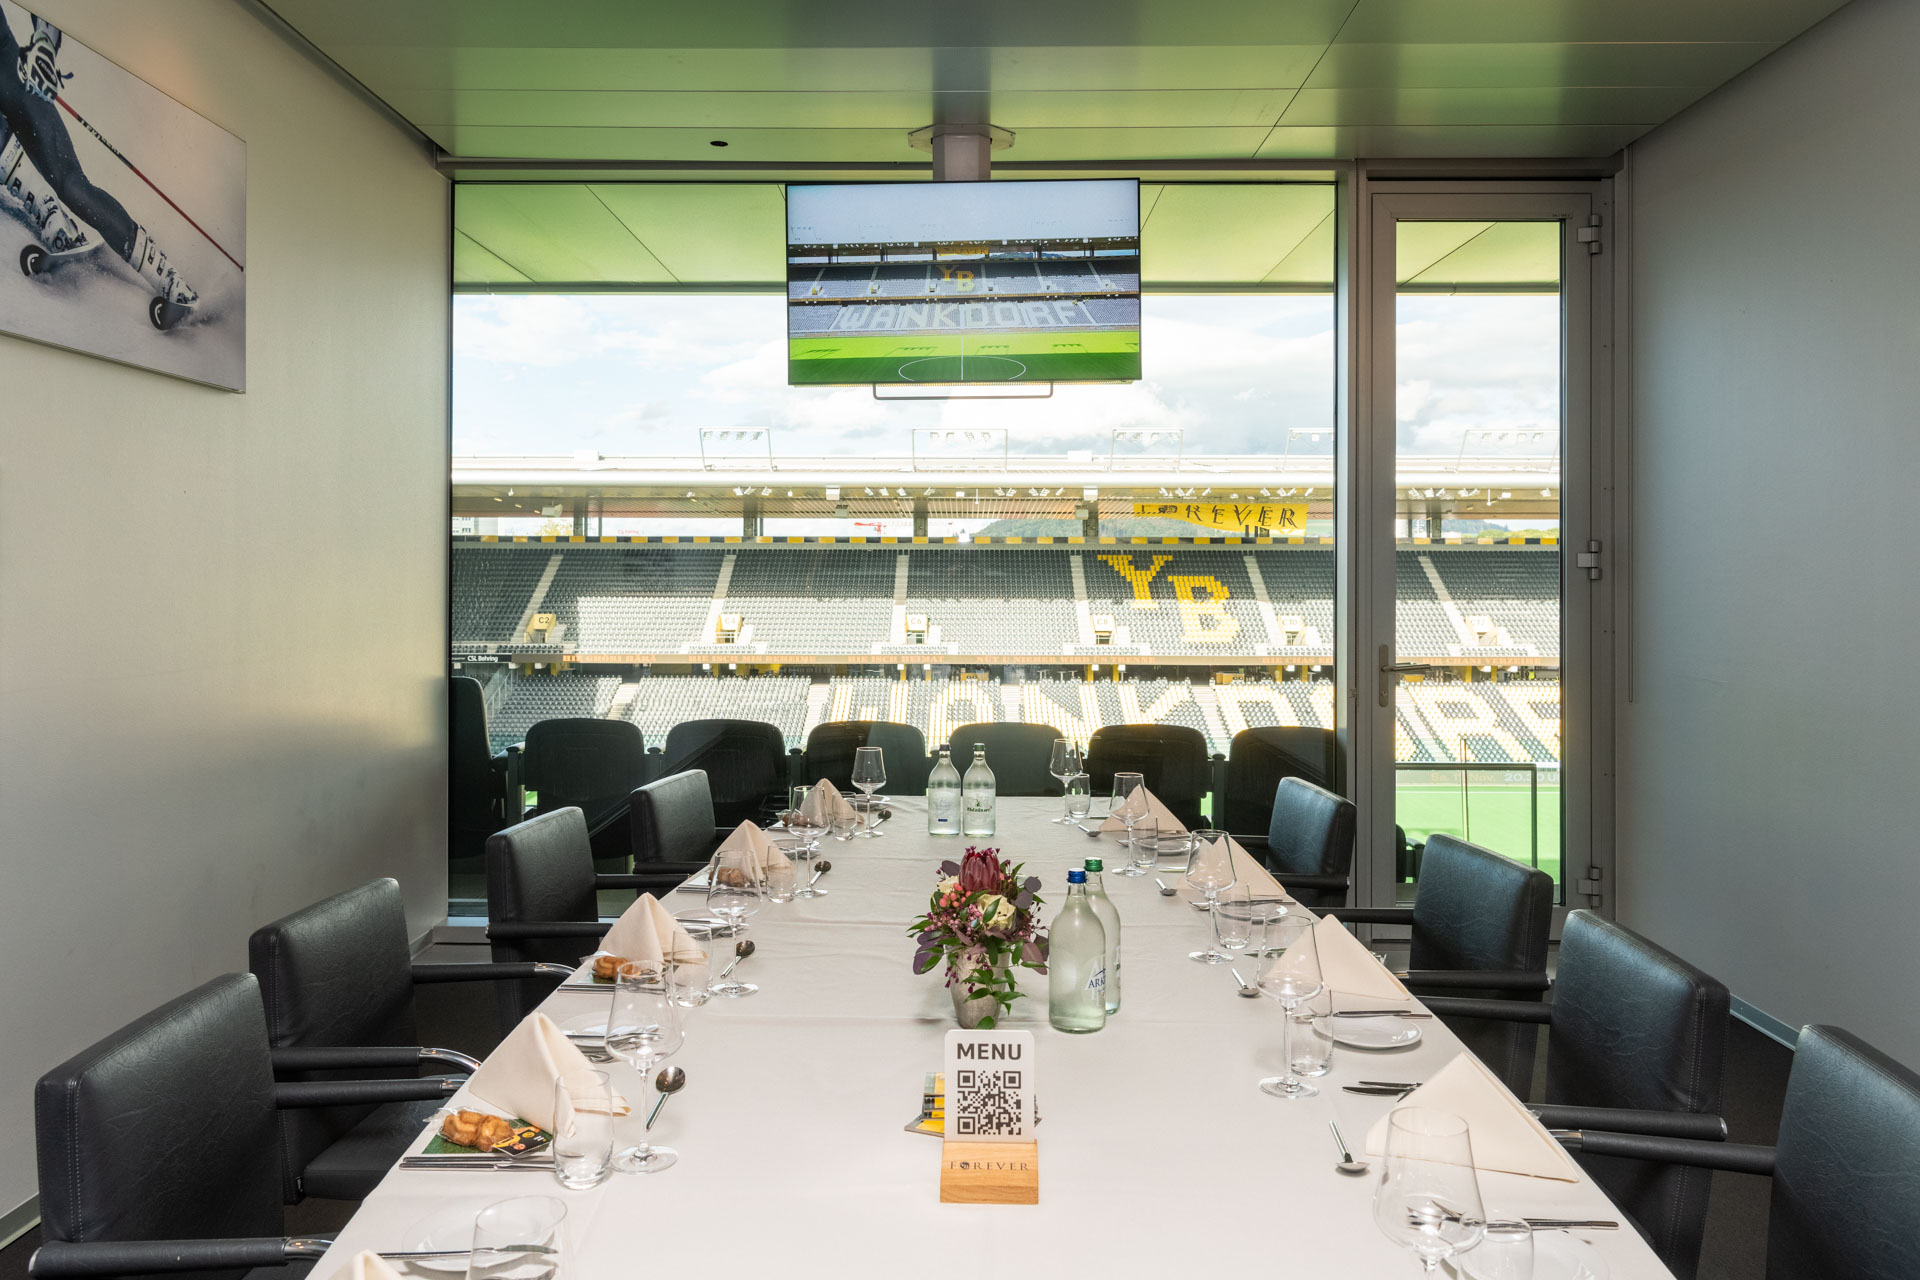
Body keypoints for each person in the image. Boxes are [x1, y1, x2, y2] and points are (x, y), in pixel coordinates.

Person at [0, 12, 195, 308]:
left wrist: (43, 44)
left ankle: (167, 278)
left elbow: (46, 19)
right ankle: (46, 207)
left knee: (73, 186)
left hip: (13, 76)